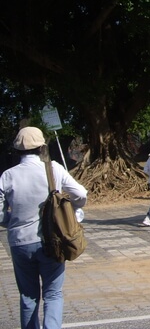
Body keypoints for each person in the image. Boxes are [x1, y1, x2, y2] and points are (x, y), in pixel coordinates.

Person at [0, 126, 88, 329]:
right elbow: (81, 194)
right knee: (53, 293)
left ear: (17, 150)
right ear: (42, 147)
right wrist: (72, 208)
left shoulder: (7, 176)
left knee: (28, 296)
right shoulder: (53, 169)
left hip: (20, 243)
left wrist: (12, 222)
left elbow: (1, 215)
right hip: (52, 241)